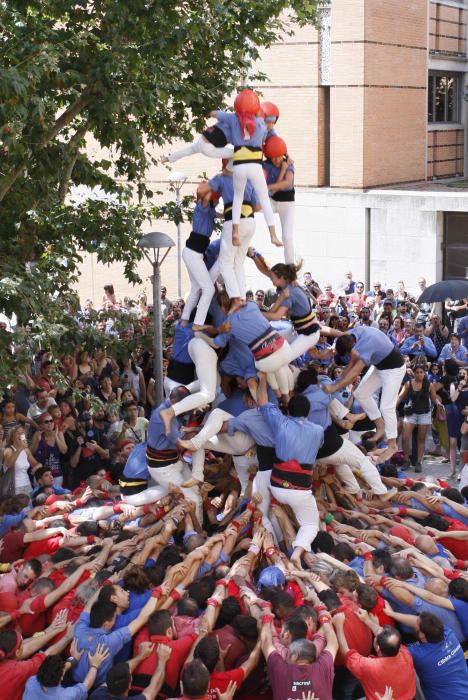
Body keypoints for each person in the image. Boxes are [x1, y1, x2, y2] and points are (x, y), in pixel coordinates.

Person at [257, 372, 324, 568]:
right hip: (300, 491)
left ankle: (278, 544)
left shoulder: (281, 421)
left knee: (274, 511)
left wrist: (262, 377)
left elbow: (261, 400)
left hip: (276, 485)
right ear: (308, 412)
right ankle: (298, 551)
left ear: (288, 410)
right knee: (310, 524)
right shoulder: (318, 430)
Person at [324, 326, 406, 462]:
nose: (349, 357)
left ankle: (392, 445)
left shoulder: (366, 346)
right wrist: (336, 383)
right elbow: (351, 363)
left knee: (386, 407)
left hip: (394, 370)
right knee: (361, 393)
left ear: (353, 346)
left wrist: (335, 387)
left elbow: (355, 372)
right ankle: (380, 425)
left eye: (348, 354)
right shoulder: (349, 335)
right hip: (379, 366)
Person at [214, 89, 281, 248]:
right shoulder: (261, 125)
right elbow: (270, 139)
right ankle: (273, 235)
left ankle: (235, 232)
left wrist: (210, 113)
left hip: (240, 166)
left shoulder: (233, 119)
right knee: (264, 199)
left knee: (237, 197)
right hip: (254, 165)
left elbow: (218, 114)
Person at [332, 611, 415, 700]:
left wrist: (339, 626)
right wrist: (367, 621)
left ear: (378, 648)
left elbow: (346, 653)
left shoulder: (370, 667)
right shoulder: (405, 653)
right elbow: (386, 636)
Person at [261, 608, 338, 700]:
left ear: (294, 656)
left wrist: (266, 618)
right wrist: (325, 619)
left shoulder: (280, 670)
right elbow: (333, 644)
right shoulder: (323, 667)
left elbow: (266, 643)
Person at [180, 189, 219, 330]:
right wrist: (213, 186)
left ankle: (185, 319)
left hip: (195, 253)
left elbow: (221, 215)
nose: (218, 200)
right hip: (193, 253)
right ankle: (198, 322)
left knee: (196, 288)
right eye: (217, 198)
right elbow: (205, 198)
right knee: (208, 289)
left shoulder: (211, 211)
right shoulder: (201, 207)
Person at [263, 135, 295, 263]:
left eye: (279, 156)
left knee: (287, 237)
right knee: (255, 205)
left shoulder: (289, 164)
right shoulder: (265, 165)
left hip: (287, 204)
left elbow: (286, 183)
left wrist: (268, 187)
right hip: (271, 201)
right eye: (273, 156)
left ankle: (290, 267)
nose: (277, 160)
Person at [399, 365, 433, 471]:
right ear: (414, 373)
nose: (419, 374)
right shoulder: (408, 383)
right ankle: (406, 460)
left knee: (421, 439)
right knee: (405, 437)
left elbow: (434, 398)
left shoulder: (429, 385)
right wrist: (393, 405)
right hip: (411, 413)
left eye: (421, 372)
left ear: (424, 373)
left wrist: (439, 405)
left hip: (424, 413)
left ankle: (418, 462)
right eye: (417, 372)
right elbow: (400, 396)